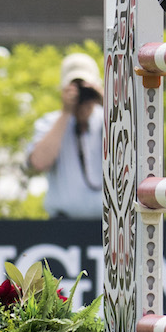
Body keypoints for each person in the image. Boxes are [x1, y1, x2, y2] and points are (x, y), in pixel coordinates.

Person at [26, 53, 104, 220]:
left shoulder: (111, 120)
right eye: (76, 89)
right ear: (63, 91)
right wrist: (66, 113)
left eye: (86, 89)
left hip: (107, 225)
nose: (82, 96)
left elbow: (134, 147)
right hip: (63, 225)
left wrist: (106, 101)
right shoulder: (50, 123)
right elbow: (38, 163)